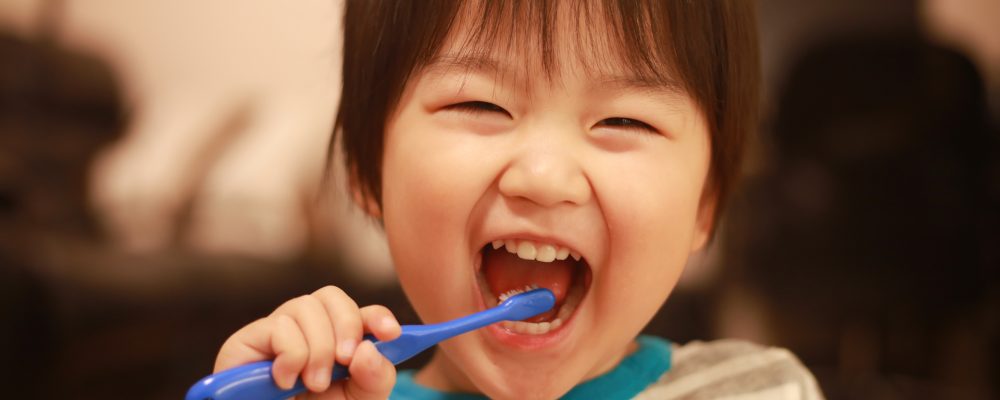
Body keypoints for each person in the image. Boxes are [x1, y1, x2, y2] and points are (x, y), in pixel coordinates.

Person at [213, 1, 824, 398]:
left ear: (705, 203)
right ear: (366, 170)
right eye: (480, 105)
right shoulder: (329, 397)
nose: (543, 176)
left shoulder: (756, 391)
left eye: (623, 120)